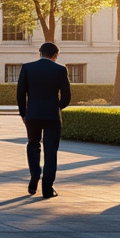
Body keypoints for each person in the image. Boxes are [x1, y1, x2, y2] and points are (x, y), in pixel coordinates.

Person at [16, 42, 72, 198]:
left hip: (32, 115)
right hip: (52, 116)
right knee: (50, 151)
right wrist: (57, 106)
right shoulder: (60, 70)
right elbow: (67, 97)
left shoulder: (27, 68)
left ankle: (35, 175)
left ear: (40, 53)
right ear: (55, 55)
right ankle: (47, 189)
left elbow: (20, 94)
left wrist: (24, 113)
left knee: (33, 145)